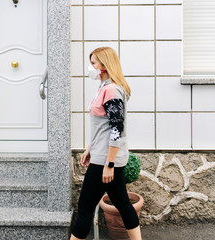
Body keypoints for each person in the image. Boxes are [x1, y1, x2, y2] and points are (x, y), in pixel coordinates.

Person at [70, 47, 142, 240]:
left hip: (105, 161)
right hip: (102, 155)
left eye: (93, 63)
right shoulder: (104, 88)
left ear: (105, 66)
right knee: (123, 203)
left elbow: (116, 129)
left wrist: (109, 164)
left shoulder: (111, 90)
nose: (90, 67)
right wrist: (90, 148)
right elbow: (102, 126)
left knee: (85, 207)